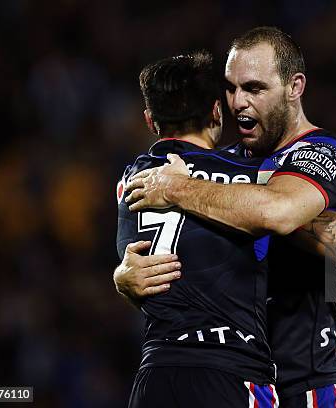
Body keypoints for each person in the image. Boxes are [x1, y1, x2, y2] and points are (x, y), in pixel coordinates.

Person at [123, 27, 336, 407]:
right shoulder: (226, 164)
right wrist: (124, 276)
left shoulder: (322, 154)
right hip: (231, 375)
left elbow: (280, 212)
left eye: (254, 89)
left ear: (294, 87)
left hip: (301, 381)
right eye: (231, 88)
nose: (238, 103)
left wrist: (178, 190)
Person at [117, 51, 279, 408]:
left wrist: (120, 278)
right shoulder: (256, 176)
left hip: (155, 372)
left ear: (150, 120)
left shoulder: (130, 181)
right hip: (233, 370)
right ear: (216, 111)